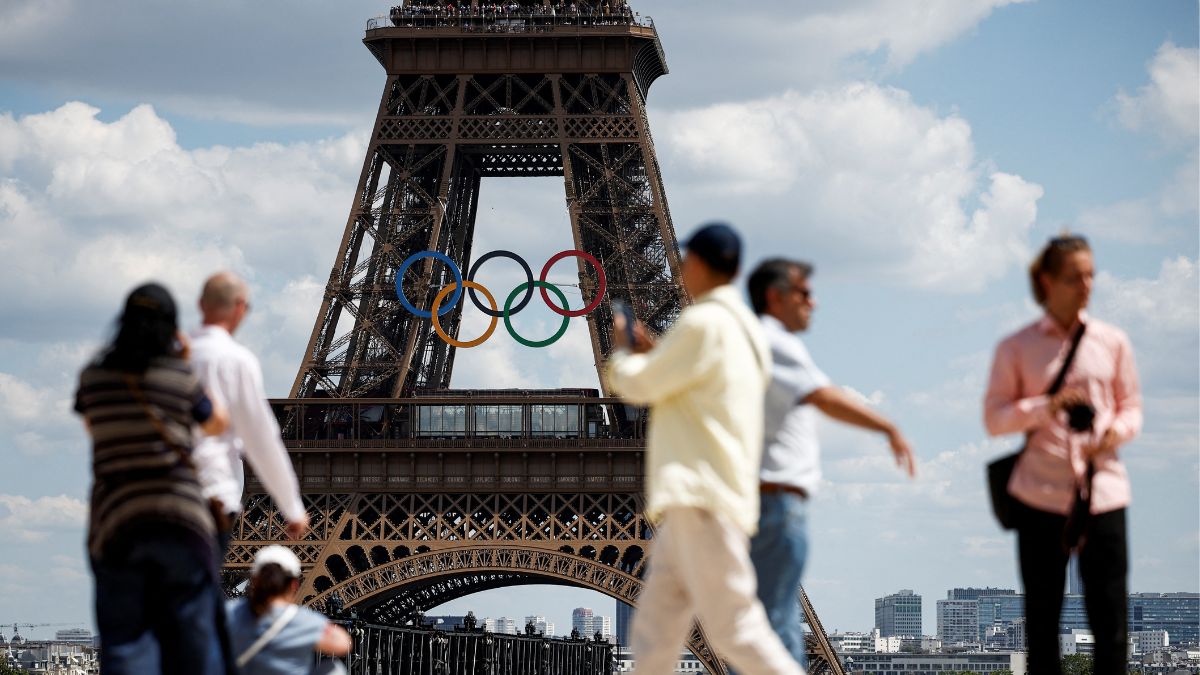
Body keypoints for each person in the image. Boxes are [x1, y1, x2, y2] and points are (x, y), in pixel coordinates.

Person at [606, 223, 804, 675]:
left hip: (701, 497)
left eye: (684, 260)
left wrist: (622, 353)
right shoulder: (744, 327)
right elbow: (705, 390)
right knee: (654, 634)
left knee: (736, 629)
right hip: (709, 495)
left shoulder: (702, 323)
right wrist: (658, 351)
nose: (678, 270)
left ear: (698, 262)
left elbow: (639, 385)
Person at [744, 259, 917, 668]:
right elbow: (824, 397)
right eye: (805, 293)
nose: (814, 303)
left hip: (759, 502)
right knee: (776, 624)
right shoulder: (774, 341)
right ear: (775, 296)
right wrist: (887, 426)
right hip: (776, 505)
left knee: (762, 623)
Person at [984, 234, 1141, 675]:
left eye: (1091, 274)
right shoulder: (1017, 348)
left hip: (1101, 487)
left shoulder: (1112, 342)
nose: (1087, 285)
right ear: (1047, 281)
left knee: (1111, 622)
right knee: (1042, 624)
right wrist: (1046, 407)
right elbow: (994, 419)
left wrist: (1112, 432)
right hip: (1041, 492)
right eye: (1075, 276)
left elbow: (1132, 408)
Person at [75, 283, 229, 675]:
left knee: (125, 643)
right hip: (180, 521)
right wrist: (186, 357)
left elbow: (94, 426)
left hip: (117, 523)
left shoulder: (94, 377)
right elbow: (215, 423)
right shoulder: (180, 377)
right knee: (196, 642)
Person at [189, 271, 308, 553]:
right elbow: (261, 440)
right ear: (241, 307)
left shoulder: (170, 358)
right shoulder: (237, 361)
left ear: (200, 304)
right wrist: (292, 508)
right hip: (211, 495)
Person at [226, 546, 353, 674]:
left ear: (255, 580)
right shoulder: (305, 620)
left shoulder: (231, 611)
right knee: (335, 669)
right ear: (294, 585)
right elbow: (342, 644)